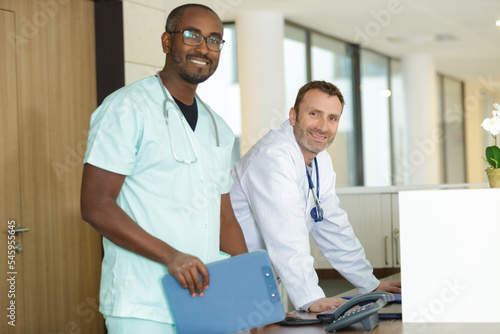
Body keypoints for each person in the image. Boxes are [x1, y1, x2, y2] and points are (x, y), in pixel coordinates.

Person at [80, 4, 247, 333]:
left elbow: (223, 217)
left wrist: (248, 287)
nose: (203, 48)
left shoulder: (219, 128)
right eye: (192, 35)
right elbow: (95, 204)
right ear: (166, 42)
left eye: (214, 40)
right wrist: (171, 256)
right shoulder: (127, 109)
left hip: (204, 299)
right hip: (142, 303)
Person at [230, 80, 401, 313]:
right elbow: (286, 232)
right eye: (314, 114)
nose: (323, 126)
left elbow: (333, 226)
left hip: (262, 279)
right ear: (293, 116)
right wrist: (311, 297)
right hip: (229, 278)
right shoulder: (273, 158)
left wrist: (368, 283)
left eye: (332, 118)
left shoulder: (320, 160)